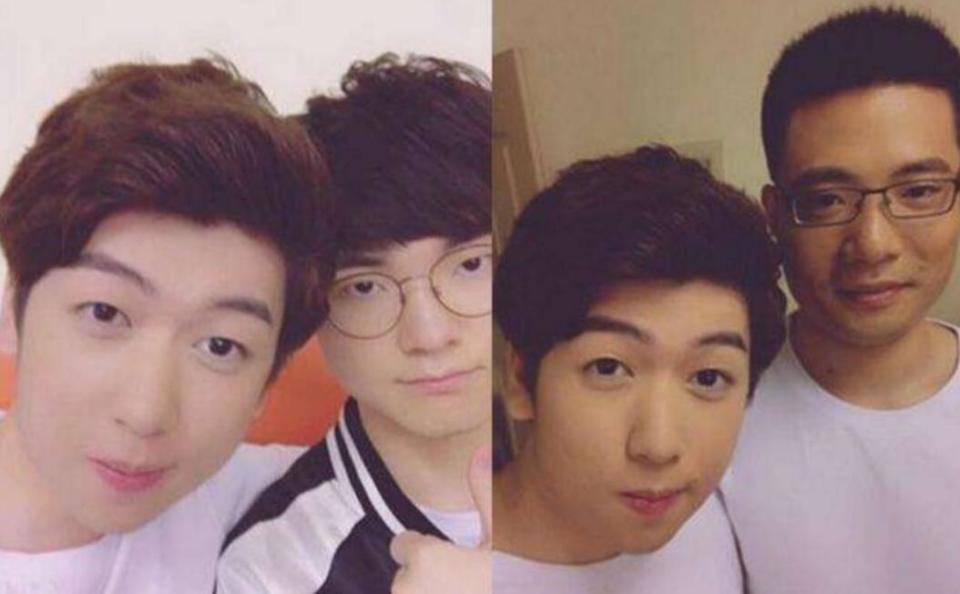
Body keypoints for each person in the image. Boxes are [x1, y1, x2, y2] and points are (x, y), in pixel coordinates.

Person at [0, 58, 334, 593]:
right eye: (105, 313)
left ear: (268, 382)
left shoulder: (282, 508)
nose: (145, 413)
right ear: (13, 306)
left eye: (220, 346)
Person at [216, 54, 492, 593]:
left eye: (470, 265)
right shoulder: (274, 571)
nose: (429, 335)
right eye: (364, 287)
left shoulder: (608, 470)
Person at [721, 7, 960, 593]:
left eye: (919, 190)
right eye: (826, 199)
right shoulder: (711, 428)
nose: (873, 244)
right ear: (775, 216)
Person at [491, 145, 785, 593]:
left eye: (708, 378)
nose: (659, 447)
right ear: (519, 379)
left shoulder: (720, 509)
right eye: (608, 368)